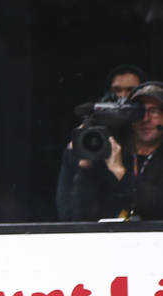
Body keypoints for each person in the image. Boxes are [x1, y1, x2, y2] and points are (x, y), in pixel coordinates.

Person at [57, 81, 163, 221]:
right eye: (139, 112)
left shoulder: (117, 163)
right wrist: (86, 164)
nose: (145, 119)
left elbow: (155, 205)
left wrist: (120, 172)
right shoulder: (111, 151)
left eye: (154, 112)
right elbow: (78, 214)